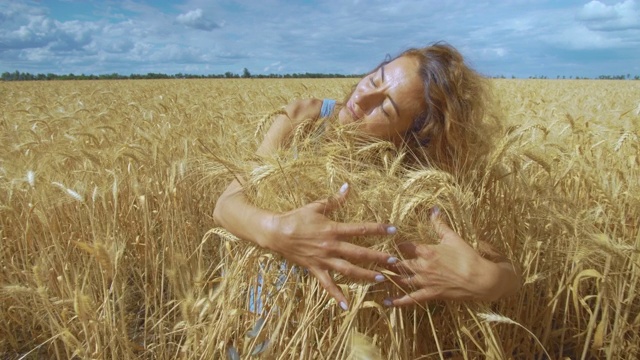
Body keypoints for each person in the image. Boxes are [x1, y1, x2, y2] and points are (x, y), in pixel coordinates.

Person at [213, 42, 521, 311]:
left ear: (409, 140)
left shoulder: (415, 180)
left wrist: (488, 281)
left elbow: (504, 270)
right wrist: (279, 231)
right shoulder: (304, 119)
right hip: (256, 308)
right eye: (376, 78)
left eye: (385, 109)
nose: (362, 97)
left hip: (335, 334)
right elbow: (226, 204)